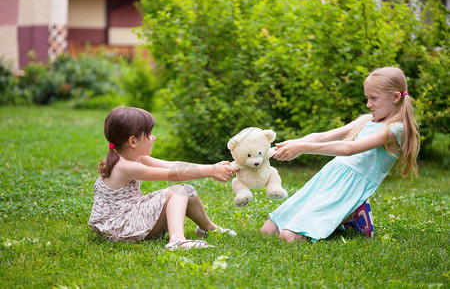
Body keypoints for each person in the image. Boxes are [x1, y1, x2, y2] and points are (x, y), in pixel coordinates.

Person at [260, 66, 420, 243]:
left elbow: (349, 149)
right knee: (267, 231)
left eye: (374, 98)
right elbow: (323, 136)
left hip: (349, 187)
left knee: (288, 237)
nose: (368, 104)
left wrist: (303, 148)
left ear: (396, 97)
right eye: (367, 98)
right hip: (329, 176)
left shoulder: (396, 130)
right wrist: (296, 142)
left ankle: (353, 212)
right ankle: (350, 216)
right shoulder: (367, 120)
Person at [88, 107, 237, 250]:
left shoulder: (136, 158)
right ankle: (177, 241)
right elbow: (173, 174)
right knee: (178, 191)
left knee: (187, 191)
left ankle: (208, 229)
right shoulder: (124, 166)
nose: (154, 137)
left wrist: (213, 167)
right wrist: (211, 171)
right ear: (133, 141)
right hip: (118, 227)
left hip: (128, 219)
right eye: (149, 134)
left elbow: (173, 165)